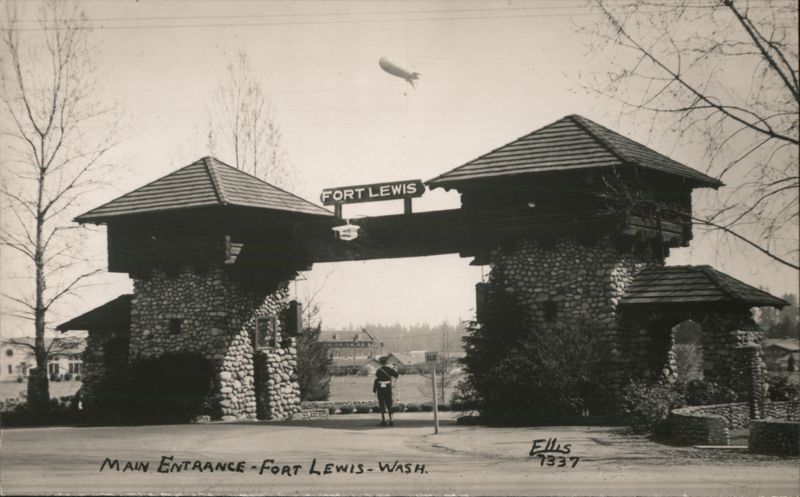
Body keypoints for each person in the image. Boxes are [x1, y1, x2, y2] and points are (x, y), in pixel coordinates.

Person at [373, 356, 399, 426]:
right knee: (389, 404)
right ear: (386, 362)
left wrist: (374, 390)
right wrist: (394, 368)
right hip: (388, 388)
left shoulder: (378, 370)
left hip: (380, 389)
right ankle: (391, 421)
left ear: (380, 363)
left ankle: (383, 421)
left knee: (382, 404)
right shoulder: (390, 369)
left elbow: (376, 380)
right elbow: (396, 375)